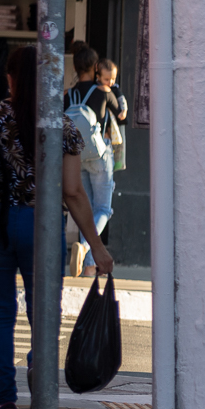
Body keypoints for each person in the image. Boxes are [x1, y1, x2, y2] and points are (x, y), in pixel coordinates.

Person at [0, 45, 113, 409]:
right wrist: (96, 246)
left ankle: (5, 404)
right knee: (44, 315)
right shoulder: (61, 125)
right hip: (41, 226)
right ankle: (39, 367)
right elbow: (72, 192)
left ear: (9, 78)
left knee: (1, 314)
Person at [64, 44, 114, 277]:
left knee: (87, 207)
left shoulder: (68, 95)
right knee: (103, 208)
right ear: (96, 67)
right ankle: (84, 247)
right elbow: (120, 114)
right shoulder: (102, 91)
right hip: (100, 155)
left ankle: (90, 267)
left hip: (78, 156)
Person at [98, 58, 129, 172]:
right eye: (106, 79)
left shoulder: (115, 89)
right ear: (98, 77)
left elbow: (122, 100)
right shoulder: (96, 89)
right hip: (103, 124)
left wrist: (124, 111)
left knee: (118, 145)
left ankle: (117, 163)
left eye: (113, 79)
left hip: (114, 123)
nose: (110, 82)